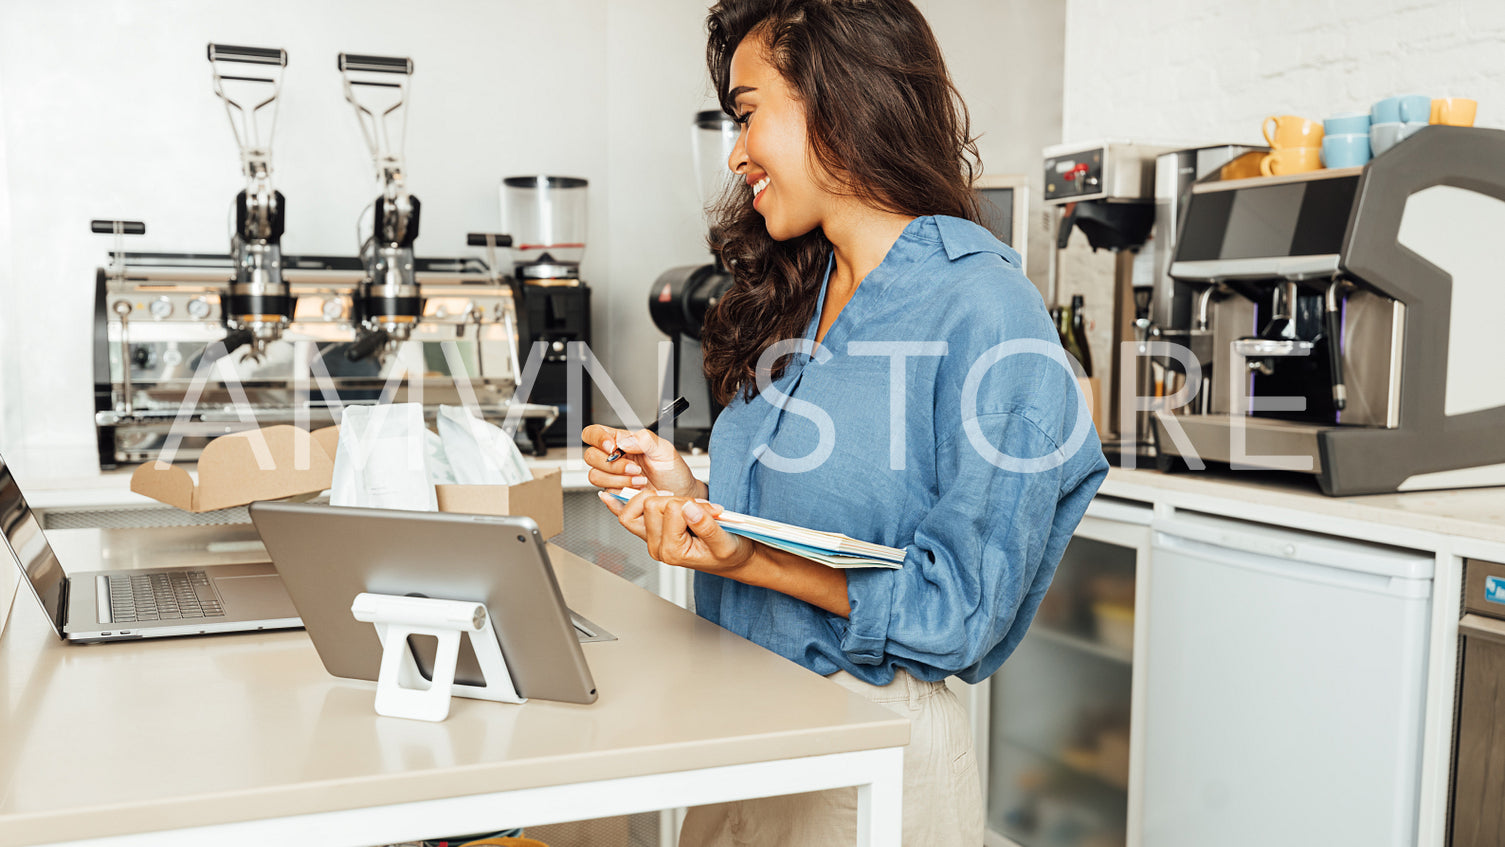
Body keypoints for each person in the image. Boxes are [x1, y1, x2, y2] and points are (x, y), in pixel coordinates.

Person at [581, 0, 1108, 843]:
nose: (737, 151)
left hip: (866, 759)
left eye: (748, 114)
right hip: (735, 739)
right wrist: (694, 495)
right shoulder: (802, 289)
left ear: (833, 101)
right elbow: (831, 507)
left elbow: (960, 611)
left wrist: (748, 557)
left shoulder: (984, 307)